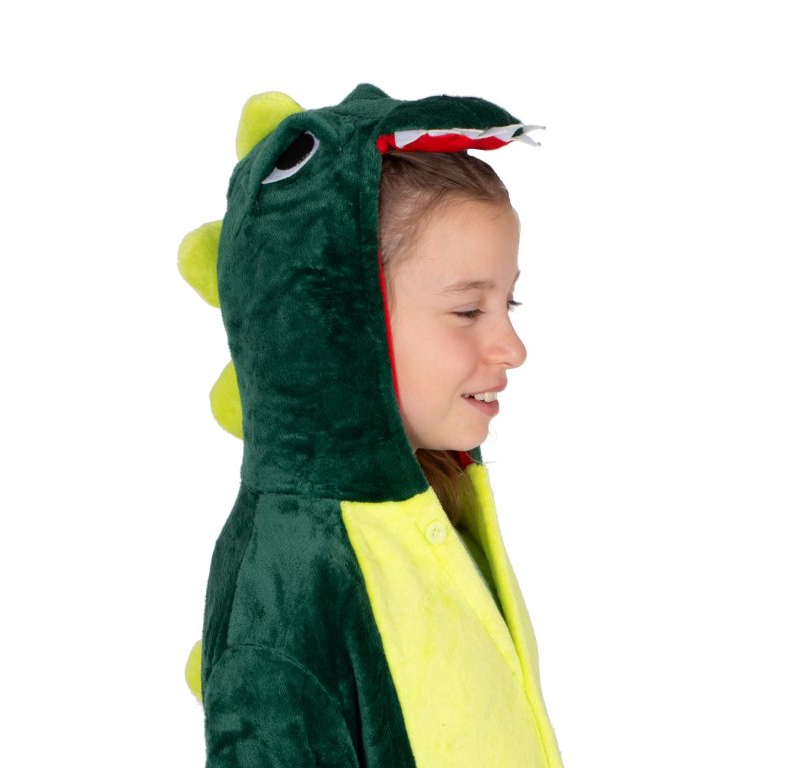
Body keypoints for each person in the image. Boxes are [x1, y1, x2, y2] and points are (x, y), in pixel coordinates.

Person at [180, 84, 563, 767]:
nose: (513, 348)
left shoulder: (431, 504)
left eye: (509, 303)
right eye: (468, 311)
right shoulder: (294, 576)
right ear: (336, 325)